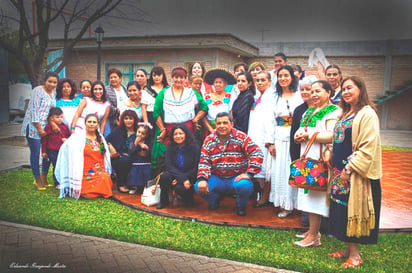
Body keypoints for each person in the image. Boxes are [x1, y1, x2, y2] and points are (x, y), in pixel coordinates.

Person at [326, 76, 381, 268]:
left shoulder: (367, 114)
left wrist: (349, 169)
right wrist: (330, 151)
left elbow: (368, 147)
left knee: (352, 210)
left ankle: (356, 256)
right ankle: (348, 250)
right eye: (343, 89)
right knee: (342, 210)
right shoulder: (346, 113)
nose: (346, 92)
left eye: (350, 87)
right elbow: (339, 139)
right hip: (340, 172)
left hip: (354, 173)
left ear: (360, 89)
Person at [294, 80, 340, 247]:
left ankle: (314, 235)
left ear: (329, 93)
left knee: (316, 195)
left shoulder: (333, 111)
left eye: (318, 91)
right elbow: (301, 129)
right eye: (311, 91)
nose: (313, 94)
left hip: (319, 159)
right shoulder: (310, 111)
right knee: (309, 194)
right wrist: (298, 136)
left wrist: (308, 135)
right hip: (307, 157)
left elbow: (332, 135)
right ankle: (312, 232)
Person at [195, 112, 264, 216]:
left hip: (236, 177)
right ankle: (214, 201)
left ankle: (241, 207)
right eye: (219, 123)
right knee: (198, 186)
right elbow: (204, 161)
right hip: (217, 177)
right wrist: (202, 179)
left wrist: (249, 173)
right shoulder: (209, 140)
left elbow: (257, 153)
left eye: (225, 123)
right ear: (215, 125)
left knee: (245, 186)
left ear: (231, 124)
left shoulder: (241, 137)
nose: (222, 126)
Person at [151, 66, 208, 175]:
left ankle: (186, 180)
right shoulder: (164, 93)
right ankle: (168, 182)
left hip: (188, 129)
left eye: (182, 77)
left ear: (185, 79)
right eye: (176, 77)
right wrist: (162, 129)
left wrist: (196, 119)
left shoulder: (191, 92)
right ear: (172, 78)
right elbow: (156, 112)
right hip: (169, 129)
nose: (179, 80)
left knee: (188, 154)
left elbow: (204, 107)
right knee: (167, 154)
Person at [265, 65, 303, 218]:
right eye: (280, 76)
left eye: (286, 75)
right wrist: (270, 143)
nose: (283, 78)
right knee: (280, 170)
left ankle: (298, 204)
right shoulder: (273, 96)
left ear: (292, 77)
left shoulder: (299, 95)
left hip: (296, 137)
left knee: (293, 168)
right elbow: (269, 120)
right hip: (279, 136)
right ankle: (284, 205)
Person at [56, 114, 113, 199]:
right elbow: (65, 147)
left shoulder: (100, 138)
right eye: (89, 122)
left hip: (98, 171)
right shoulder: (78, 137)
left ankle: (95, 191)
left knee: (105, 178)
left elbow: (104, 154)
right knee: (85, 192)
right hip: (83, 172)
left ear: (97, 125)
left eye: (94, 122)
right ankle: (90, 191)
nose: (91, 124)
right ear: (85, 123)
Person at [21, 71, 59, 190]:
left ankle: (43, 177)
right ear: (45, 80)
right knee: (36, 153)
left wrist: (51, 124)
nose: (52, 84)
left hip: (46, 128)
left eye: (54, 82)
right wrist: (39, 128)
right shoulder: (38, 90)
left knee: (46, 153)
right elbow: (34, 110)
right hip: (34, 127)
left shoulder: (53, 93)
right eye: (50, 81)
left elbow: (51, 112)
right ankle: (37, 179)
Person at [289, 76, 317, 226]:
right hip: (302, 155)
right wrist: (294, 157)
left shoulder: (324, 110)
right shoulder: (299, 110)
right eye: (302, 89)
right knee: (304, 188)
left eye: (309, 89)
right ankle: (306, 223)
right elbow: (293, 134)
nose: (305, 92)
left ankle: (321, 225)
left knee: (317, 189)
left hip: (318, 155)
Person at [157, 123, 200, 209]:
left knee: (181, 189)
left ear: (186, 134)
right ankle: (164, 200)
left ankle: (188, 198)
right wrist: (181, 178)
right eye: (175, 134)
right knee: (164, 177)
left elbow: (196, 167)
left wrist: (183, 179)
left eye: (181, 133)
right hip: (176, 175)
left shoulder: (194, 147)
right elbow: (169, 166)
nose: (178, 136)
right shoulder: (170, 146)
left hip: (190, 176)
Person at [248, 71, 275, 207]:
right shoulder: (258, 96)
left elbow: (271, 121)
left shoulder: (271, 97)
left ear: (269, 82)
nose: (259, 82)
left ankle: (265, 196)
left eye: (263, 80)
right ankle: (261, 194)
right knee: (259, 167)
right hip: (256, 138)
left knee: (267, 168)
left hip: (265, 140)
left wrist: (270, 141)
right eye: (257, 80)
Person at [106, 111, 151, 194]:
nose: (128, 121)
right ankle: (121, 184)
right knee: (124, 160)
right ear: (122, 120)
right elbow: (107, 140)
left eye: (131, 118)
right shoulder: (118, 130)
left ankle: (136, 184)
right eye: (126, 118)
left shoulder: (139, 131)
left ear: (135, 120)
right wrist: (112, 149)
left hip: (135, 156)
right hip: (120, 157)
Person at [41, 107, 71, 189]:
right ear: (51, 118)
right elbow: (44, 140)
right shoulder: (48, 127)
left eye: (61, 117)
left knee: (57, 166)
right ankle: (43, 180)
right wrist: (43, 151)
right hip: (49, 150)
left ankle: (57, 182)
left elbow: (69, 136)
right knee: (45, 165)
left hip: (60, 151)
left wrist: (66, 140)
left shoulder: (64, 127)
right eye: (57, 117)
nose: (60, 119)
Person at [202, 69, 236, 135]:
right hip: (210, 129)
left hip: (226, 128)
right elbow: (203, 115)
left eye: (220, 82)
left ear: (225, 84)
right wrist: (210, 129)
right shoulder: (207, 97)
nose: (217, 84)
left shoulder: (230, 96)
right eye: (216, 82)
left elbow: (232, 113)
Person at [141, 66, 169, 133]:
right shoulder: (147, 90)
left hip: (165, 116)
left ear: (163, 76)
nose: (156, 77)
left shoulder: (168, 89)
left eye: (159, 75)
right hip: (151, 116)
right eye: (154, 75)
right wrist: (146, 121)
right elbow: (143, 106)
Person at [105, 68, 128, 133]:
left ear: (120, 78)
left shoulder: (125, 89)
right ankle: (102, 144)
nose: (113, 79)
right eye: (111, 78)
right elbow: (107, 104)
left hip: (127, 118)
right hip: (113, 120)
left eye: (115, 77)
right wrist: (116, 110)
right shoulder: (106, 90)